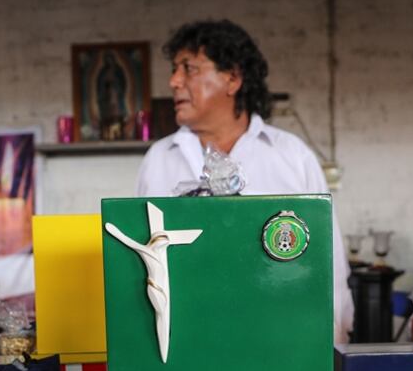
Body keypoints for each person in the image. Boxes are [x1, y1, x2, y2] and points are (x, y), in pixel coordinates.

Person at [136, 19, 355, 343]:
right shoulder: (160, 158)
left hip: (277, 335)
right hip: (185, 336)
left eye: (189, 68)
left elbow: (329, 260)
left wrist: (334, 338)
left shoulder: (291, 156)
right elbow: (143, 257)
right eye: (174, 70)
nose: (174, 81)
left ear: (233, 78)